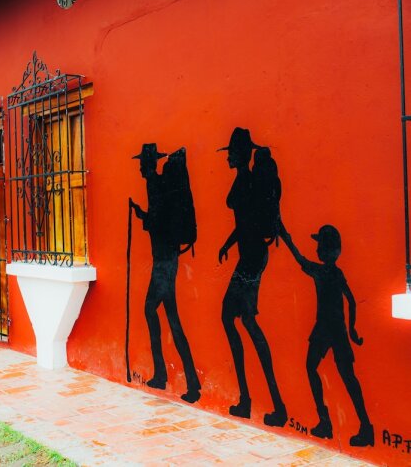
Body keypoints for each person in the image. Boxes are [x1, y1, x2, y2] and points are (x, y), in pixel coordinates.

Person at [281, 224, 374, 447]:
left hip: (325, 328)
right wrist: (352, 329)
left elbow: (300, 259)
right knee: (347, 376)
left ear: (326, 250)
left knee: (315, 368)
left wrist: (286, 238)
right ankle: (363, 426)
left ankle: (327, 422)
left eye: (320, 246)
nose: (317, 249)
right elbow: (351, 301)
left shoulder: (321, 272)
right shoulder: (336, 272)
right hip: (337, 329)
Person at [218, 127, 287, 427]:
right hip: (251, 255)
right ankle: (256, 400)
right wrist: (227, 244)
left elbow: (245, 219)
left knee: (236, 319)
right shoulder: (244, 179)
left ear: (241, 154)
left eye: (231, 153)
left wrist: (232, 244)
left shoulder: (246, 180)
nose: (228, 157)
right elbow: (244, 222)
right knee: (241, 320)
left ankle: (262, 402)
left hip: (252, 258)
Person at [130, 143, 201, 403]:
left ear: (149, 164)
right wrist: (143, 214)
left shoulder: (154, 184)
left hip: (164, 262)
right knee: (171, 319)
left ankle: (165, 375)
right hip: (167, 258)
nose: (140, 167)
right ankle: (188, 380)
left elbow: (157, 221)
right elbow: (158, 218)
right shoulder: (160, 184)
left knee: (152, 310)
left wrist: (143, 217)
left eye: (143, 163)